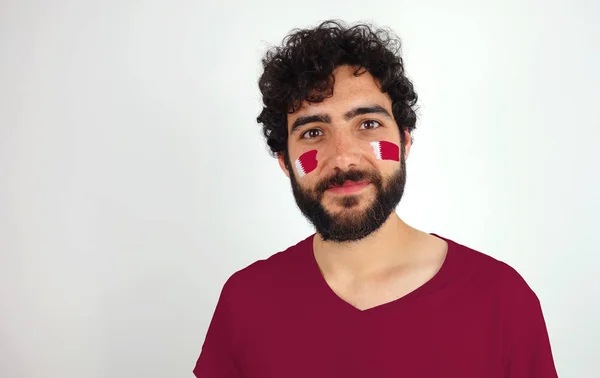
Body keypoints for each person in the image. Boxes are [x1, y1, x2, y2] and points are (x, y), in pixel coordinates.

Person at [193, 20, 558, 377]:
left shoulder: (501, 300)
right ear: (286, 163)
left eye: (367, 124)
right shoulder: (245, 302)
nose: (343, 157)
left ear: (405, 142)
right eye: (313, 131)